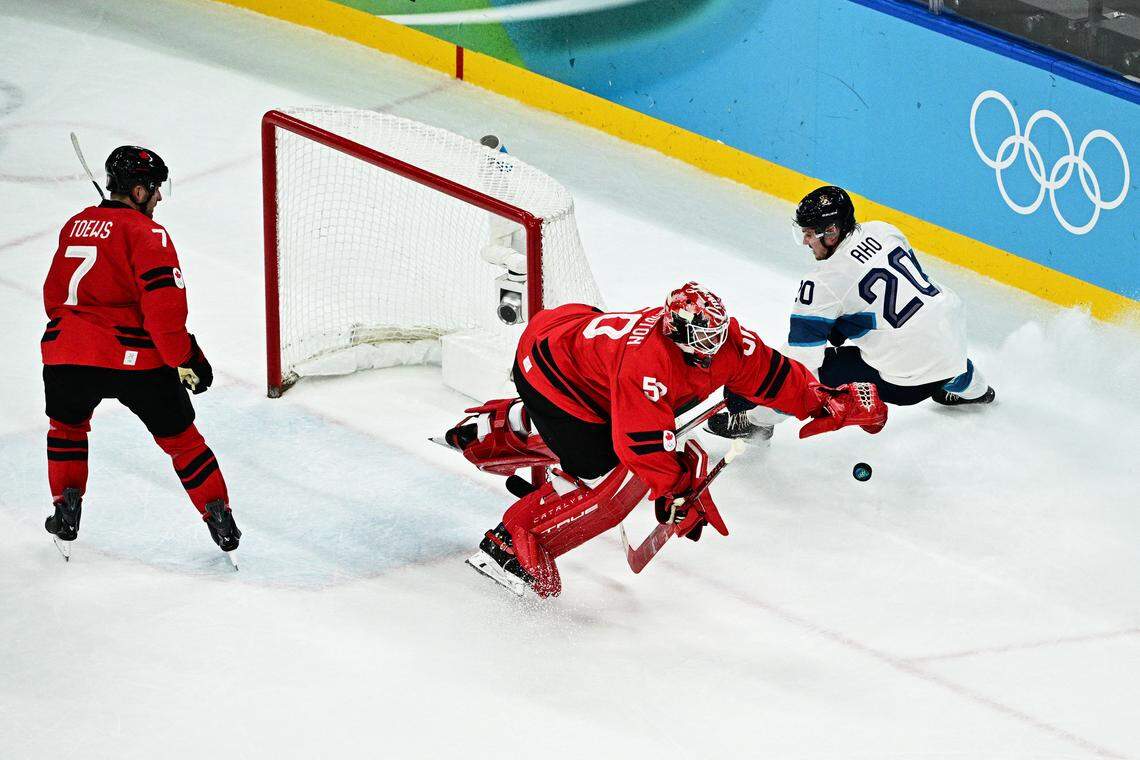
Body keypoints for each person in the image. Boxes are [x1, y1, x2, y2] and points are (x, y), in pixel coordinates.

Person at [439, 282, 888, 597]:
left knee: (619, 431)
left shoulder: (722, 341)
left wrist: (821, 401)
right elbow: (640, 443)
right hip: (550, 373)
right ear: (676, 331)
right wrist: (673, 492)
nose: (716, 344)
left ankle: (499, 427)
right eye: (704, 336)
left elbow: (771, 373)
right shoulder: (647, 364)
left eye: (718, 333)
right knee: (599, 464)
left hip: (571, 341)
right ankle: (511, 540)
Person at [40, 145, 240, 557]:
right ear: (135, 191)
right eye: (154, 188)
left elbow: (53, 296)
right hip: (138, 362)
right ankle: (218, 515)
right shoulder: (148, 234)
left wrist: (76, 336)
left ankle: (66, 506)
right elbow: (164, 316)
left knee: (67, 428)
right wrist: (188, 360)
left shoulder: (75, 225)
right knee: (184, 442)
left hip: (67, 354)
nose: (159, 197)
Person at [709, 185, 994, 441]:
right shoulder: (884, 229)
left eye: (810, 234)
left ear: (832, 232)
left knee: (818, 372)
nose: (806, 241)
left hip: (906, 382)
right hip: (952, 337)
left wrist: (757, 388)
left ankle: (755, 423)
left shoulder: (822, 283)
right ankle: (978, 390)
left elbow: (801, 365)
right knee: (925, 335)